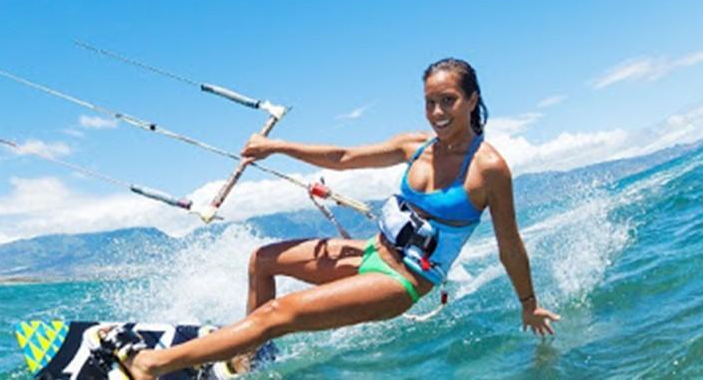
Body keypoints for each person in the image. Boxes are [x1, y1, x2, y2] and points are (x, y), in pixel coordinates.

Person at [101, 58, 560, 379]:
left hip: (400, 283)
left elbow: (510, 244)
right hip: (368, 253)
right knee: (261, 260)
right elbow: (343, 156)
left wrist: (528, 302)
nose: (438, 112)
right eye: (430, 102)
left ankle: (151, 366)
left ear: (472, 98)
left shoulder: (489, 168)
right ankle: (245, 359)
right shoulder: (415, 145)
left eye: (448, 101)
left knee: (278, 314)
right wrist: (278, 146)